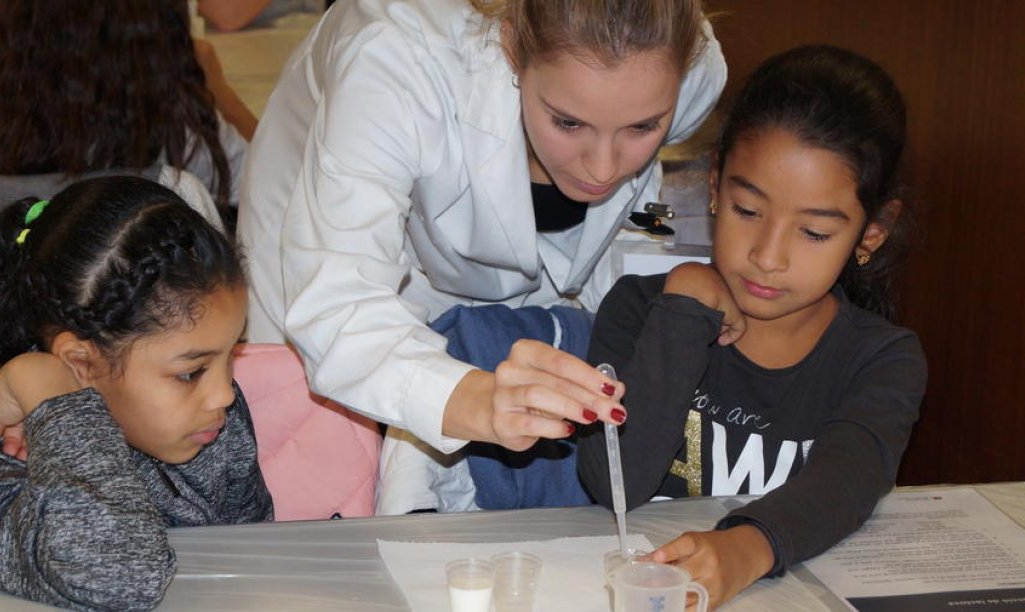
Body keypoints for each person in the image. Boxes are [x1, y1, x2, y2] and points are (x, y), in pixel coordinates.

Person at [238, 0, 727, 491]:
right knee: (321, 469)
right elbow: (338, 306)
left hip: (505, 245)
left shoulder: (692, 66)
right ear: (512, 44)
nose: (602, 169)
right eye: (568, 122)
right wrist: (477, 400)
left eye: (642, 127)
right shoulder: (395, 58)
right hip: (336, 238)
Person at [579, 44, 927, 612]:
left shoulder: (883, 358)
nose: (768, 257)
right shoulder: (642, 310)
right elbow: (613, 480)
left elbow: (850, 480)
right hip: (642, 605)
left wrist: (746, 549)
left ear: (871, 234)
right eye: (747, 211)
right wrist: (685, 308)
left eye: (813, 233)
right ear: (714, 185)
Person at [0, 176, 274, 612]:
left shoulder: (207, 428)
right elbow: (122, 579)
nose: (223, 394)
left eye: (230, 356)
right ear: (81, 363)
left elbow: (252, 564)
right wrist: (57, 405)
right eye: (191, 373)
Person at [0, 0, 255, 213]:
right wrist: (218, 90)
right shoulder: (173, 116)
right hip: (145, 295)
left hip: (15, 284)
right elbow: (269, 183)